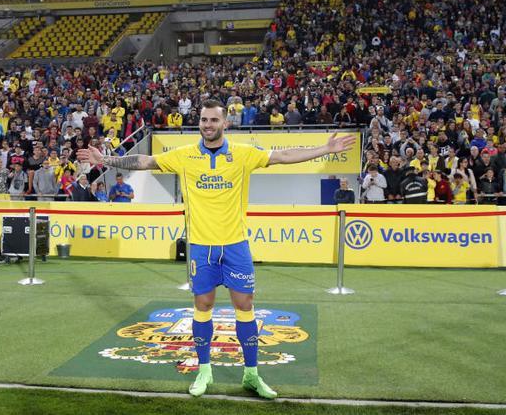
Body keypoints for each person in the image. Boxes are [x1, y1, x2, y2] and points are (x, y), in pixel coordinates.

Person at [77, 99, 355, 399]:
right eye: (203, 120)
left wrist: (325, 150)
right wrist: (105, 160)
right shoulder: (184, 155)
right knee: (204, 306)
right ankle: (204, 370)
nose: (207, 125)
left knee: (245, 307)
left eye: (213, 120)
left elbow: (284, 155)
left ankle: (252, 375)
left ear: (225, 123)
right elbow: (144, 162)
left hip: (236, 246)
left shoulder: (243, 154)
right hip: (201, 248)